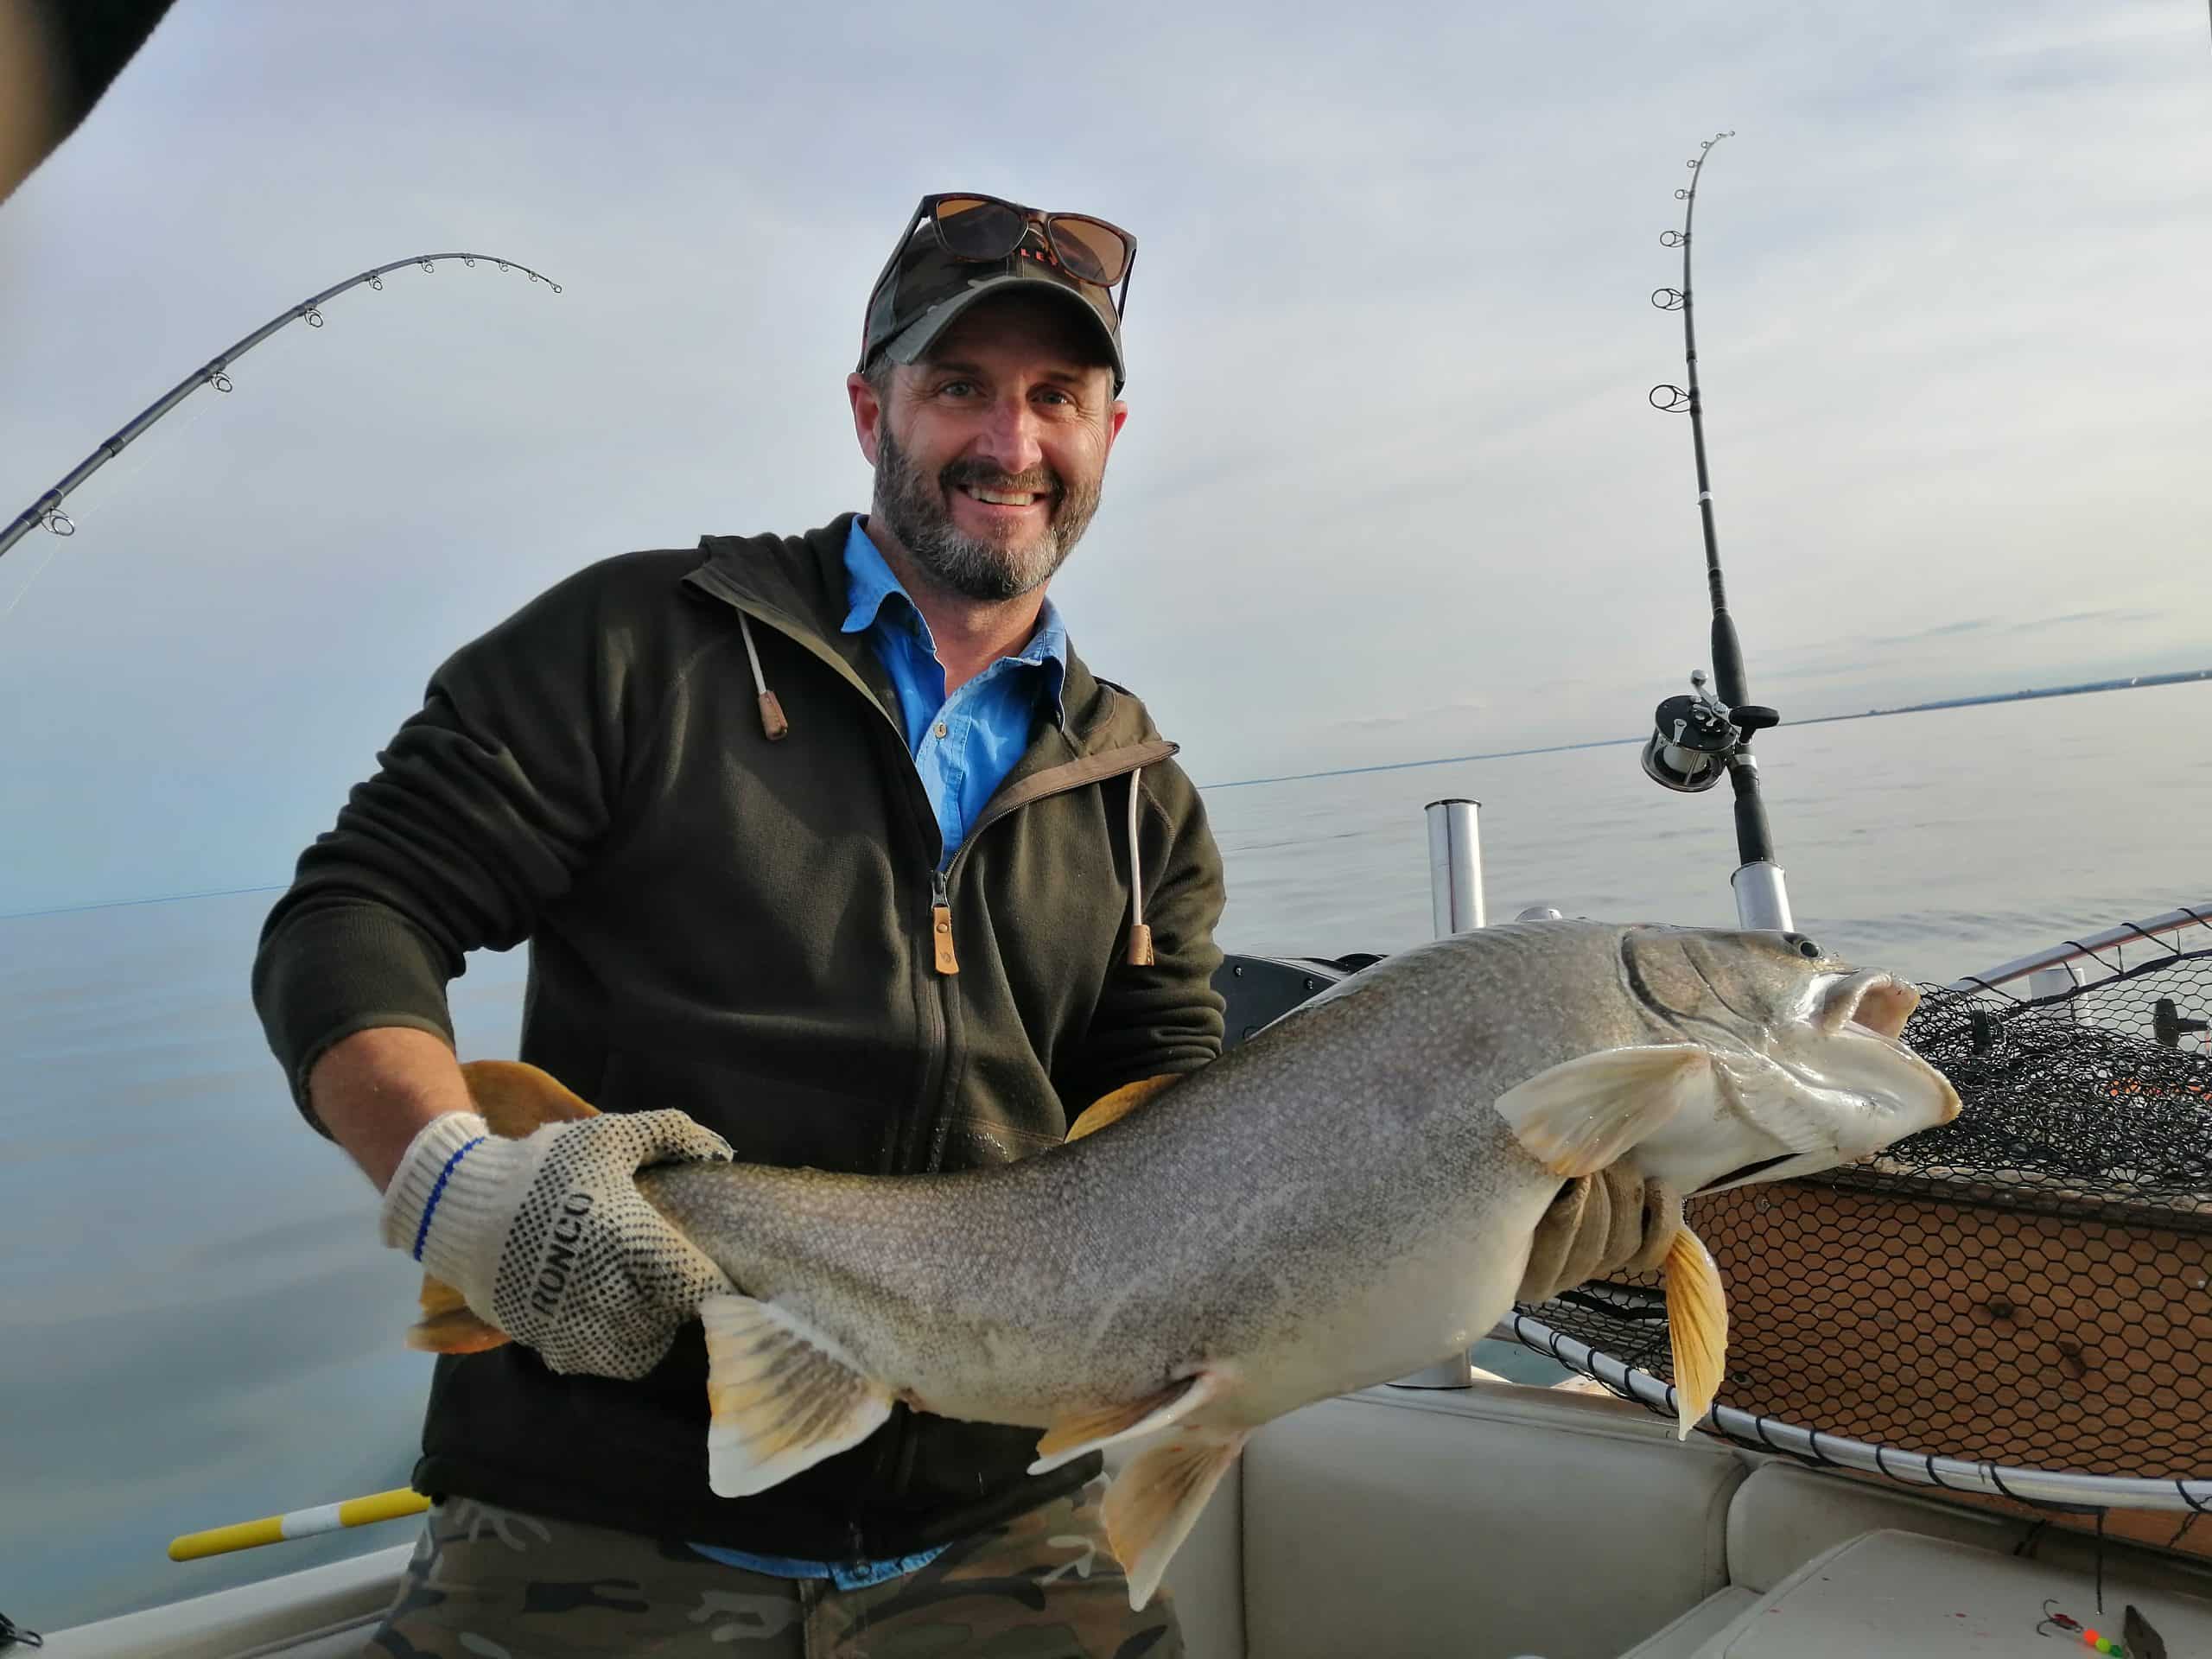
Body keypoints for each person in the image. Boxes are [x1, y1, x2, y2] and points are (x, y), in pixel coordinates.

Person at [253, 192, 1675, 1657]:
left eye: (1057, 396)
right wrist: (452, 1184)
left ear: (1110, 432)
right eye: (959, 387)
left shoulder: (1141, 795)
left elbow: (1186, 1137)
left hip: (999, 1527)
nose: (1012, 441)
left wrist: (1470, 1222)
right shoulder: (635, 642)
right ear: (870, 408)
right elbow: (357, 910)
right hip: (591, 1514)